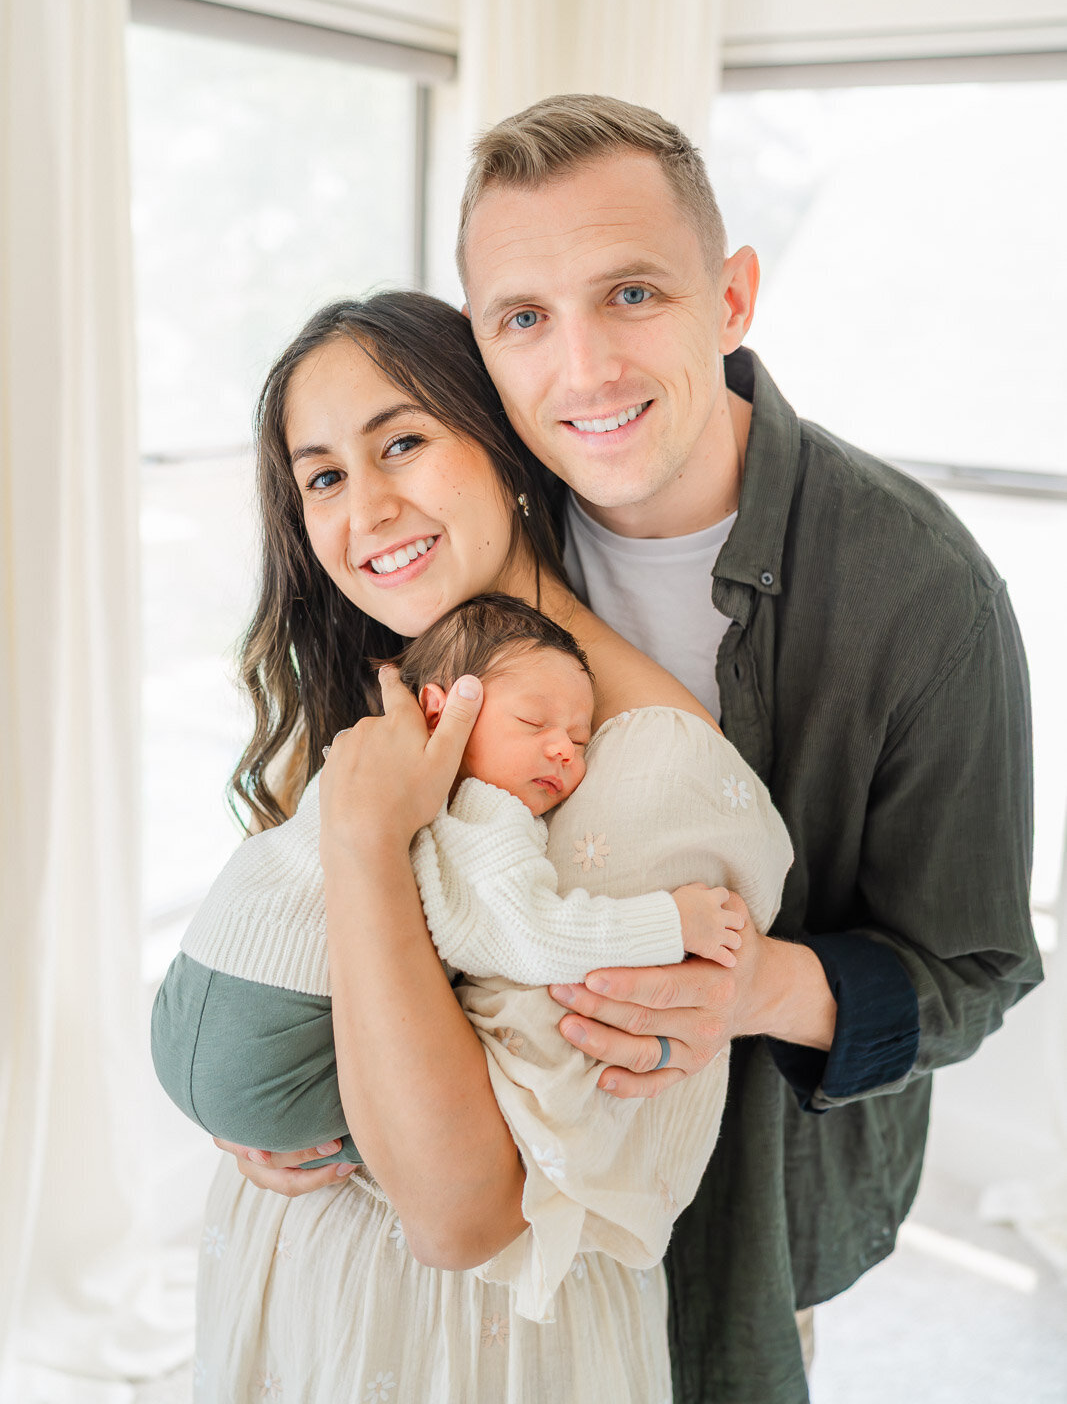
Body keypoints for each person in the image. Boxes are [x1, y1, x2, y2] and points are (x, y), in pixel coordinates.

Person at [444, 92, 1042, 1401]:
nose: (582, 369)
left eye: (633, 294)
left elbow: (975, 967)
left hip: (748, 1217)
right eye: (524, 319)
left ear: (730, 299)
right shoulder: (463, 544)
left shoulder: (922, 592)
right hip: (488, 1193)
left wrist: (758, 987)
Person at [189, 291, 792, 1402]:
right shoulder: (373, 692)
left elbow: (462, 1211)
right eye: (322, 476)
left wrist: (370, 845)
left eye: (402, 442)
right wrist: (248, 1098)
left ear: (504, 443)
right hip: (292, 1276)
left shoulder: (643, 765)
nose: (364, 508)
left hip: (461, 1339)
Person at [151, 592, 769, 1170]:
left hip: (185, 999)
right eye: (534, 723)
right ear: (444, 712)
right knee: (457, 1134)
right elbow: (525, 936)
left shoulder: (361, 751)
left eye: (580, 740)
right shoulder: (481, 807)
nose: (564, 751)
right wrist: (672, 920)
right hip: (273, 1044)